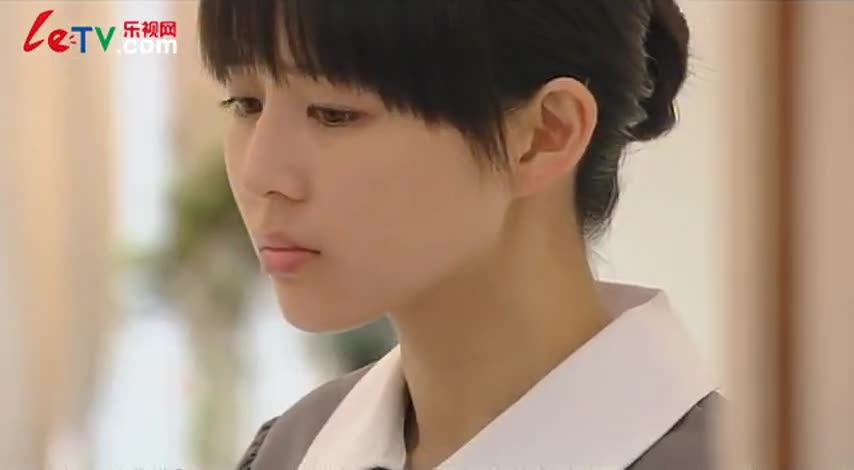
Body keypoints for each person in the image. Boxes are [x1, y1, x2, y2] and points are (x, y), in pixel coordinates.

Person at [198, 0, 723, 468]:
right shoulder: (291, 449)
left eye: (334, 114)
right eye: (246, 104)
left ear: (546, 134)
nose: (260, 175)